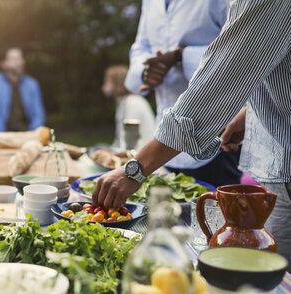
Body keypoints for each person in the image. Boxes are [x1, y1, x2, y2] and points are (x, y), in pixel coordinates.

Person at [93, 0, 291, 270]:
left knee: (270, 287)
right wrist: (250, 113)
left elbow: (222, 74)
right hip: (191, 141)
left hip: (246, 157)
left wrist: (135, 169)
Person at [124, 0, 242, 187]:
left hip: (216, 143)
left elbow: (240, 50)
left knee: (217, 213)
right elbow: (141, 46)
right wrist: (146, 71)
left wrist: (181, 57)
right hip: (161, 142)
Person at [0, 47, 45, 132]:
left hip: (27, 133)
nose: (20, 62)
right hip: (2, 134)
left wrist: (33, 134)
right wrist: (3, 136)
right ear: (4, 63)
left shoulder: (32, 84)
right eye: (14, 59)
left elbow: (38, 114)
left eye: (21, 58)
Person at [102, 65, 155, 150]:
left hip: (141, 157)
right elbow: (119, 142)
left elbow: (129, 144)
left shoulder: (132, 102)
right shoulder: (124, 102)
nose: (103, 87)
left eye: (107, 82)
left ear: (117, 82)